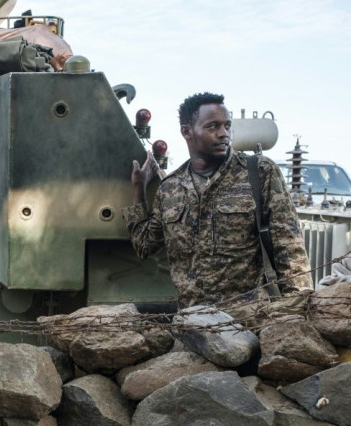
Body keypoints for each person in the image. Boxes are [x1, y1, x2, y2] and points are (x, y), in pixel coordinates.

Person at [122, 92, 312, 309]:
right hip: (193, 325)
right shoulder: (171, 188)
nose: (224, 134)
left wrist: (298, 312)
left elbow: (290, 248)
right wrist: (138, 189)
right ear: (187, 132)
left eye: (227, 126)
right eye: (213, 126)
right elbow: (145, 245)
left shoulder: (260, 172)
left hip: (250, 321)